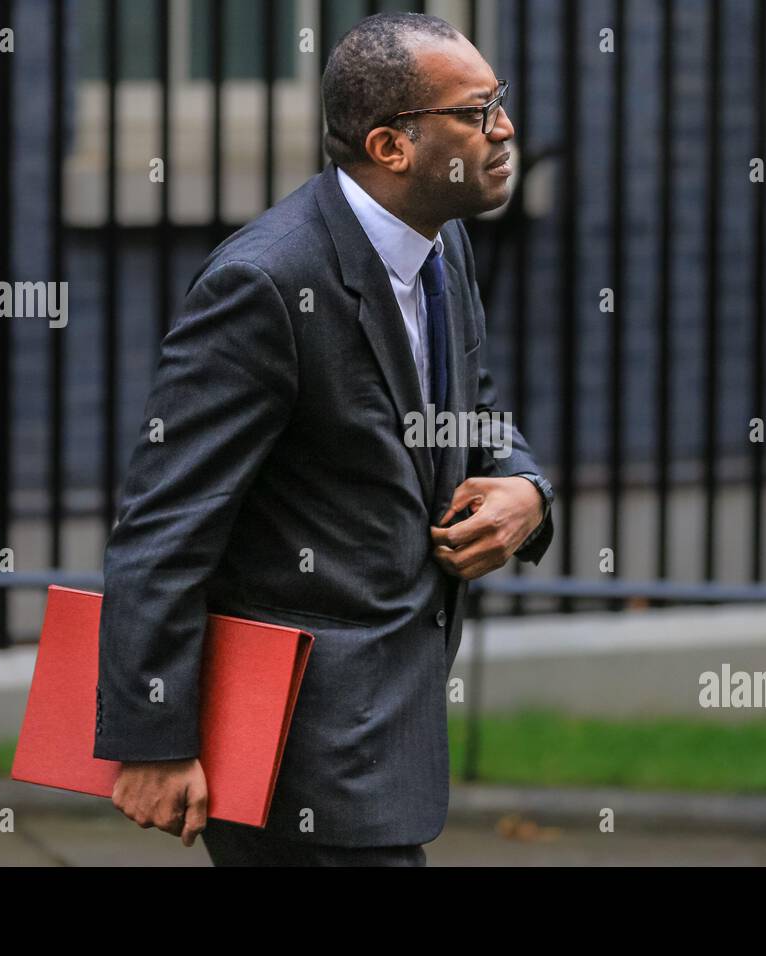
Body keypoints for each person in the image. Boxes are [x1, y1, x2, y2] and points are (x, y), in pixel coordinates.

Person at [93, 11, 554, 867]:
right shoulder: (263, 283)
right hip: (296, 752)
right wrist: (152, 739)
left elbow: (473, 408)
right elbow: (165, 522)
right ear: (392, 147)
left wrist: (526, 488)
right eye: (478, 109)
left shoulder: (443, 244)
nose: (505, 128)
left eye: (502, 102)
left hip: (387, 734)